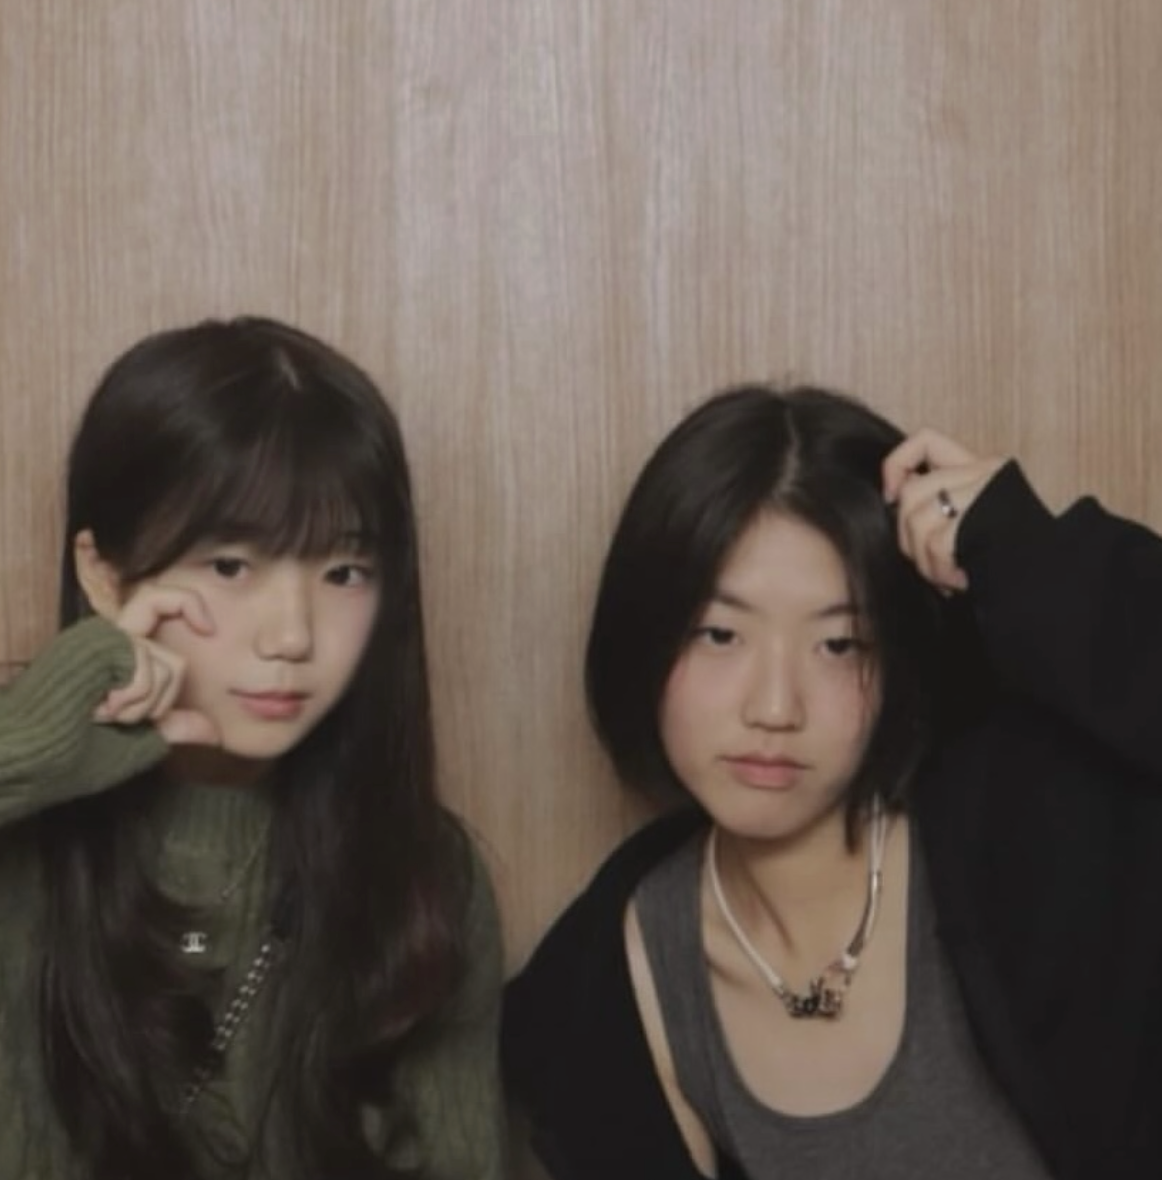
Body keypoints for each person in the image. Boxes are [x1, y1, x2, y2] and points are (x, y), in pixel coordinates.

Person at [503, 383, 1162, 1180]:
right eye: (720, 634)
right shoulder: (620, 970)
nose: (774, 708)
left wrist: (1036, 560)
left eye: (840, 645)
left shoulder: (1035, 824)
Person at [0, 317, 506, 1179]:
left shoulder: (421, 872)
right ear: (104, 575)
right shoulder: (24, 841)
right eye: (231, 566)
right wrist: (33, 744)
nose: (292, 635)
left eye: (343, 572)